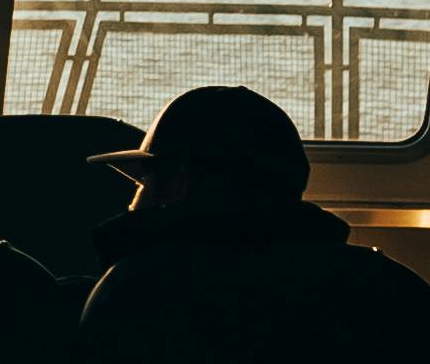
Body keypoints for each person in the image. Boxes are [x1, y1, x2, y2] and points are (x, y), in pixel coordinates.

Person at [85, 84, 347, 267]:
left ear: (177, 186)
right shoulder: (364, 284)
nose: (132, 203)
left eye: (143, 182)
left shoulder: (130, 292)